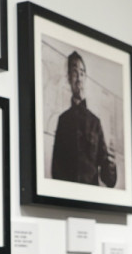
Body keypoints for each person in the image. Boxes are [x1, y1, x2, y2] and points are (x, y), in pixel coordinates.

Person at [50, 51, 117, 187]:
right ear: (69, 78)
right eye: (75, 73)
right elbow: (55, 170)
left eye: (82, 73)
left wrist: (111, 166)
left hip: (91, 201)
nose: (79, 78)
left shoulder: (95, 122)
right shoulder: (63, 121)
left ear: (85, 78)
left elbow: (109, 180)